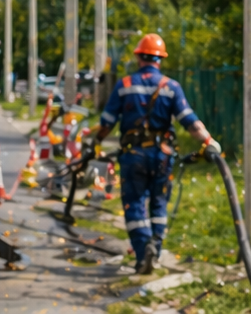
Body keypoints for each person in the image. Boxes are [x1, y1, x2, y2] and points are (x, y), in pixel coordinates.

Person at [92, 32, 221, 274]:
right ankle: (156, 249)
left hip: (134, 157)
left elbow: (107, 122)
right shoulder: (171, 87)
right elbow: (190, 121)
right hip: (162, 157)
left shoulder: (125, 85)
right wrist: (210, 142)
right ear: (159, 60)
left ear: (139, 57)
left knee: (134, 202)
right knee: (159, 203)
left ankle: (143, 254)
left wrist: (96, 143)